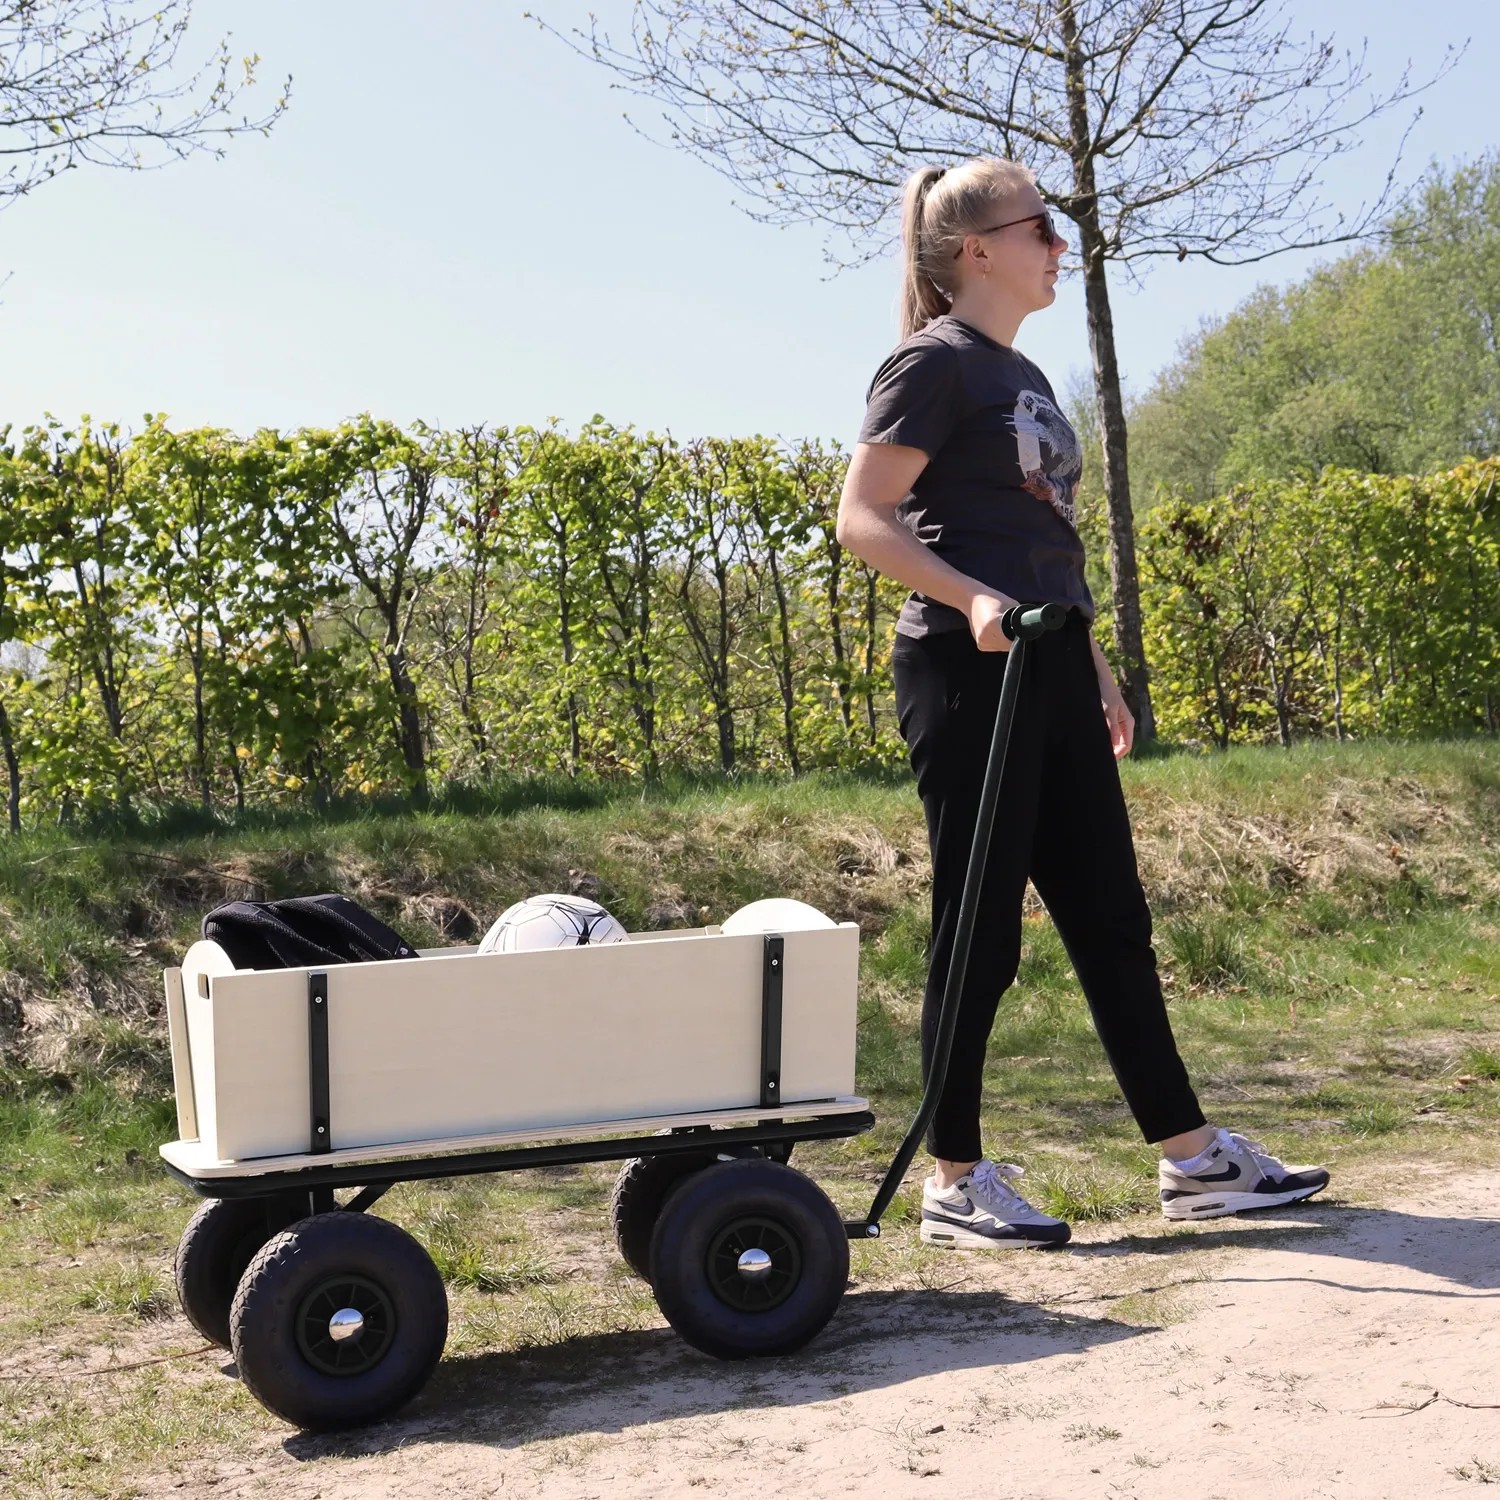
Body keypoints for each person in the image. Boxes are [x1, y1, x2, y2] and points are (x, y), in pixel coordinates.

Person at [835, 157, 1329, 1250]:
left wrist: (1092, 664)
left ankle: (1193, 1160)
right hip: (970, 667)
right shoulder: (931, 363)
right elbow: (862, 516)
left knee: (1111, 917)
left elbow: (1044, 539)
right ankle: (954, 1181)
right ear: (978, 250)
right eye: (1042, 228)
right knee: (981, 933)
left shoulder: (1022, 373)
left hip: (1050, 660)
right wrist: (971, 600)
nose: (1061, 246)